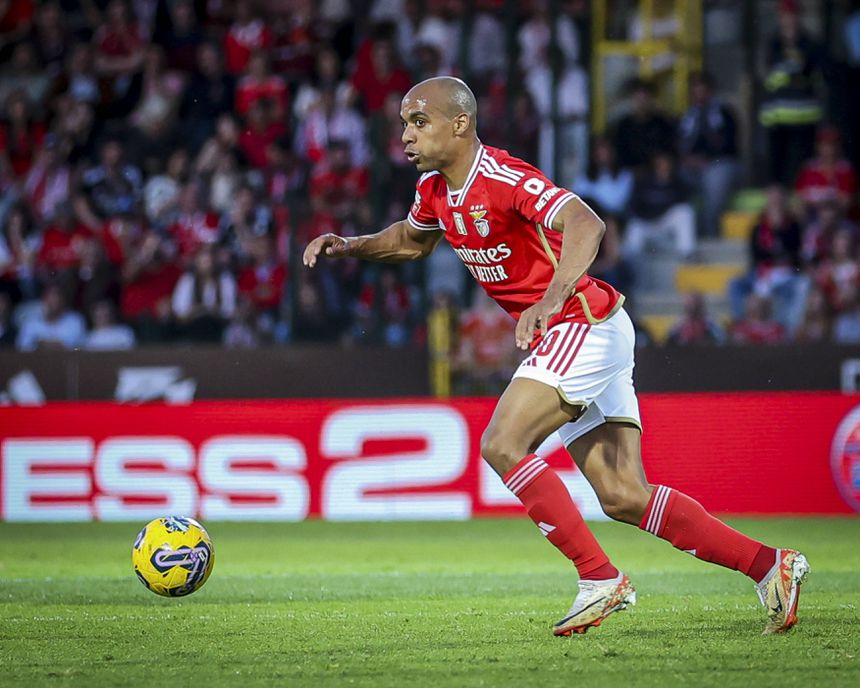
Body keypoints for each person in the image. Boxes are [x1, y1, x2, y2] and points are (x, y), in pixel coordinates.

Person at [304, 76, 808, 637]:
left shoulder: (502, 177)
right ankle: (771, 566)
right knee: (623, 495)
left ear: (461, 124)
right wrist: (350, 245)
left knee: (502, 443)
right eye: (404, 124)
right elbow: (411, 240)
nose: (406, 135)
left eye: (419, 122)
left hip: (580, 321)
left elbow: (587, 222)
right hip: (591, 328)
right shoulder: (434, 191)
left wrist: (550, 298)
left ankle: (599, 577)